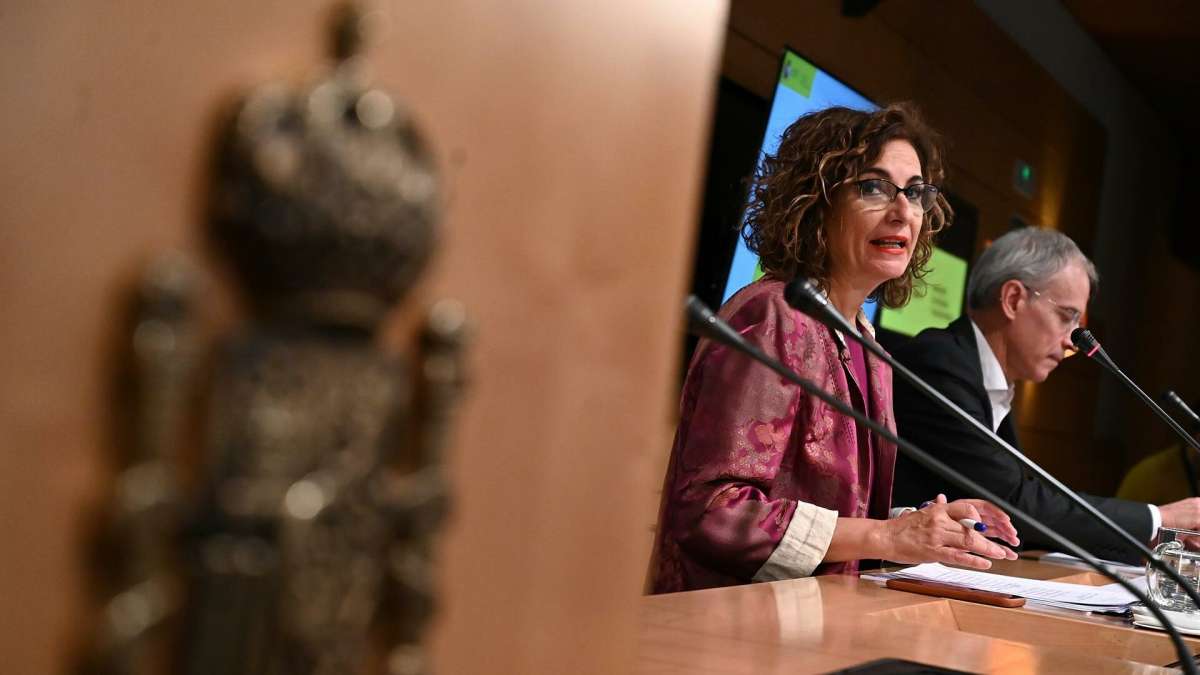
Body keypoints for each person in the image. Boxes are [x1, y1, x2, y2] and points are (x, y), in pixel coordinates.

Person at [652, 104, 1019, 594]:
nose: (902, 211)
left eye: (915, 193)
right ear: (816, 202)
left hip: (811, 616)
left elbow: (837, 518)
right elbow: (712, 511)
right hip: (717, 621)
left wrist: (918, 528)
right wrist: (886, 536)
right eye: (873, 187)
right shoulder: (773, 315)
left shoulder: (865, 341)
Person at [891, 227, 1200, 563]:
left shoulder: (984, 378)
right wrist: (1158, 520)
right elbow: (1014, 502)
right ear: (1013, 299)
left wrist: (1145, 538)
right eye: (1066, 317)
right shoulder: (940, 363)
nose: (1071, 342)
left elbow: (1024, 520)